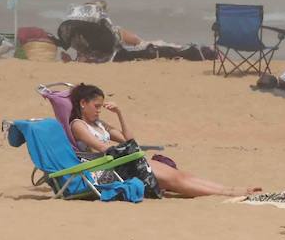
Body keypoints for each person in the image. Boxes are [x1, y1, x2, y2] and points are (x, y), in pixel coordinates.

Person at [66, 83, 261, 197]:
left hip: (124, 160)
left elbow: (130, 139)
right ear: (83, 104)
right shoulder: (78, 125)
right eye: (96, 106)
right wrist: (125, 149)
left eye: (101, 106)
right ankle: (229, 193)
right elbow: (101, 147)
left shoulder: (99, 124)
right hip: (109, 169)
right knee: (175, 181)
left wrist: (120, 113)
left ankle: (231, 189)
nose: (99, 110)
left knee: (180, 175)